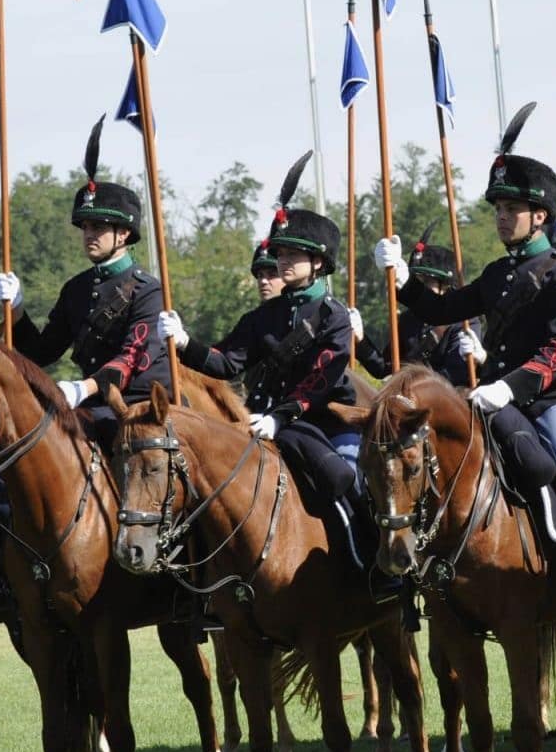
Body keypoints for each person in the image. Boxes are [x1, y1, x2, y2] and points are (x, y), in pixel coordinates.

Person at [374, 105, 556, 601]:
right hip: (494, 398)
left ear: (540, 216)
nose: (502, 217)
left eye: (511, 208)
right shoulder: (496, 274)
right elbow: (444, 307)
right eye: (497, 208)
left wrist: (507, 386)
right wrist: (404, 281)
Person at [158, 152, 388, 593]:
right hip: (262, 423)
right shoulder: (262, 317)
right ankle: (211, 587)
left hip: (324, 421)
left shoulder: (334, 317)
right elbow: (226, 362)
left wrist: (283, 415)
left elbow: (323, 378)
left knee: (346, 478)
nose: (282, 262)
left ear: (318, 262)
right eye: (280, 253)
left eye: (293, 254)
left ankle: (373, 568)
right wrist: (186, 343)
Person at [0, 118, 171, 445]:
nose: (89, 234)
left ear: (125, 234)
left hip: (140, 406)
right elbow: (42, 352)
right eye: (86, 227)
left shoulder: (149, 291)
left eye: (99, 227)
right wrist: (16, 310)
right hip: (93, 403)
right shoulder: (75, 289)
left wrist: (82, 388)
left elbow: (130, 358)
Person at [355, 226, 478, 385]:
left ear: (446, 286)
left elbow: (456, 375)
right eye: (417, 281)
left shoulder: (465, 322)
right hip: (408, 400)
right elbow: (384, 368)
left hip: (450, 402)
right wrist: (359, 340)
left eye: (427, 282)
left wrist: (409, 386)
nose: (421, 287)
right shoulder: (409, 319)